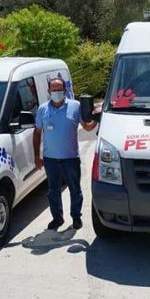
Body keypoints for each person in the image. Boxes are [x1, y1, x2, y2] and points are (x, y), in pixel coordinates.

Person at [34, 77, 98, 230]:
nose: (57, 92)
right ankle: (57, 218)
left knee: (75, 189)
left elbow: (87, 127)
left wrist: (96, 118)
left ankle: (76, 217)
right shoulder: (42, 109)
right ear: (49, 91)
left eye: (60, 89)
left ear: (65, 90)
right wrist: (37, 156)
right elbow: (37, 133)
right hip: (51, 160)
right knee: (53, 191)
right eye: (54, 89)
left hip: (70, 158)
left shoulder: (75, 106)